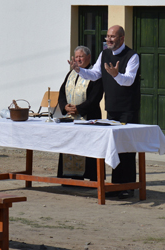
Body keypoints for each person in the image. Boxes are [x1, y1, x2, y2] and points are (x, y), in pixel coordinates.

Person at [68, 25, 140, 199]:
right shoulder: (104, 54)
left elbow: (129, 80)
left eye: (112, 37)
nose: (108, 39)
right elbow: (94, 74)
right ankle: (116, 185)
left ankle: (128, 187)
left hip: (128, 109)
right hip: (112, 107)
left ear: (121, 38)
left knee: (127, 149)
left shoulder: (133, 56)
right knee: (114, 146)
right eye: (107, 36)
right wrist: (79, 70)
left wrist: (116, 75)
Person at [57, 46, 104, 182]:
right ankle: (69, 177)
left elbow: (95, 97)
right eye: (76, 57)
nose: (78, 59)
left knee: (88, 148)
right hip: (70, 118)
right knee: (70, 145)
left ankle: (89, 177)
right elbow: (61, 93)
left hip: (88, 117)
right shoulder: (70, 73)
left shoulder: (94, 73)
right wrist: (65, 107)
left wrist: (79, 109)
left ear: (88, 58)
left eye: (81, 57)